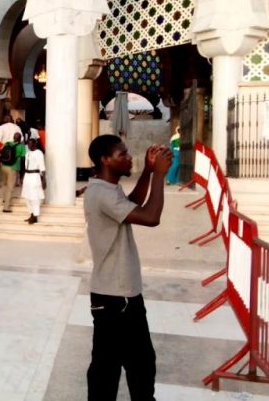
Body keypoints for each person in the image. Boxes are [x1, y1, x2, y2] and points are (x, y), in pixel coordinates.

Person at [84, 135, 172, 400]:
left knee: (139, 366)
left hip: (123, 295)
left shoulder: (109, 190)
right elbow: (150, 216)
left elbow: (132, 204)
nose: (128, 157)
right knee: (110, 372)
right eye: (122, 154)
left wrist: (147, 170)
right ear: (105, 160)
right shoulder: (100, 193)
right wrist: (159, 175)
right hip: (115, 299)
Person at [21, 139, 46, 224]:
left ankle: (35, 216)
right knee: (27, 197)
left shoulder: (39, 153)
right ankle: (31, 214)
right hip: (27, 176)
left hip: (35, 176)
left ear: (35, 144)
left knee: (34, 197)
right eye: (28, 144)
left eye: (30, 144)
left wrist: (44, 180)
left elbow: (42, 167)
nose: (29, 146)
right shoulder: (27, 153)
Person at [0, 132, 25, 213]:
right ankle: (6, 207)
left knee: (3, 184)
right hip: (13, 168)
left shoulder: (7, 143)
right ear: (20, 139)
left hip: (3, 166)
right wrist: (22, 173)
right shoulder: (21, 146)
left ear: (13, 137)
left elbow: (0, 152)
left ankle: (4, 198)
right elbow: (23, 158)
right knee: (10, 187)